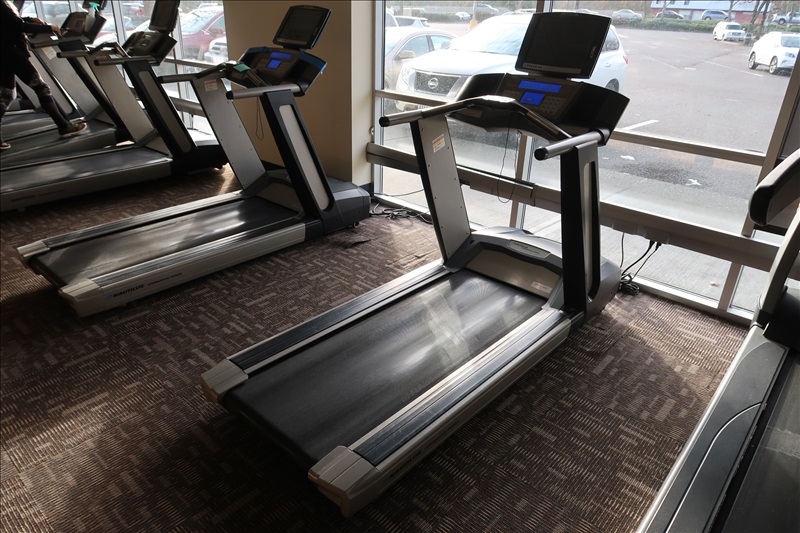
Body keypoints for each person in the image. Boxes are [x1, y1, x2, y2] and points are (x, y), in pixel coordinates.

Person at [1, 0, 86, 151]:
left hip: (4, 54)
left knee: (8, 95)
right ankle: (64, 126)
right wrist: (50, 28)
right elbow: (19, 26)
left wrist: (30, 19)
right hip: (12, 54)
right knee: (41, 88)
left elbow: (8, 21)